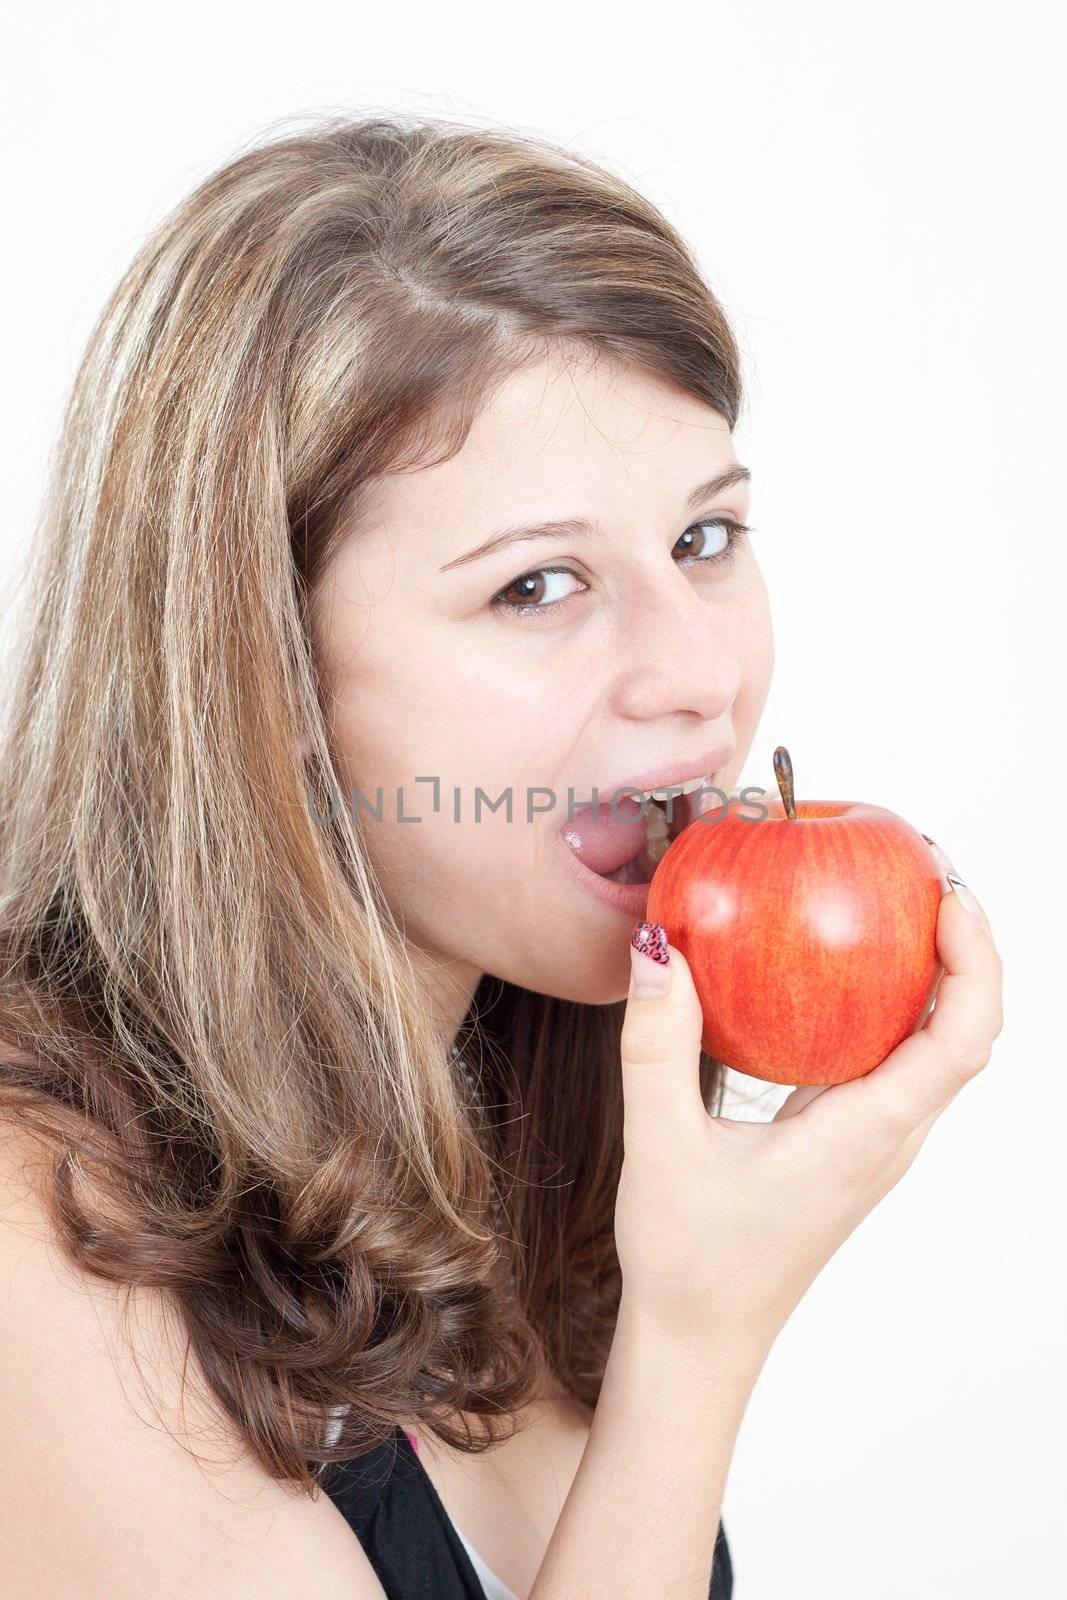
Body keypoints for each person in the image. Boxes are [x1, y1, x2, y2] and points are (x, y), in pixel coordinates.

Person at [0, 112, 1003, 1599]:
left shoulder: (530, 1118)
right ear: (261, 675)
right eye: (538, 585)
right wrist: (699, 1342)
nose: (696, 680)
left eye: (707, 540)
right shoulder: (39, 1222)